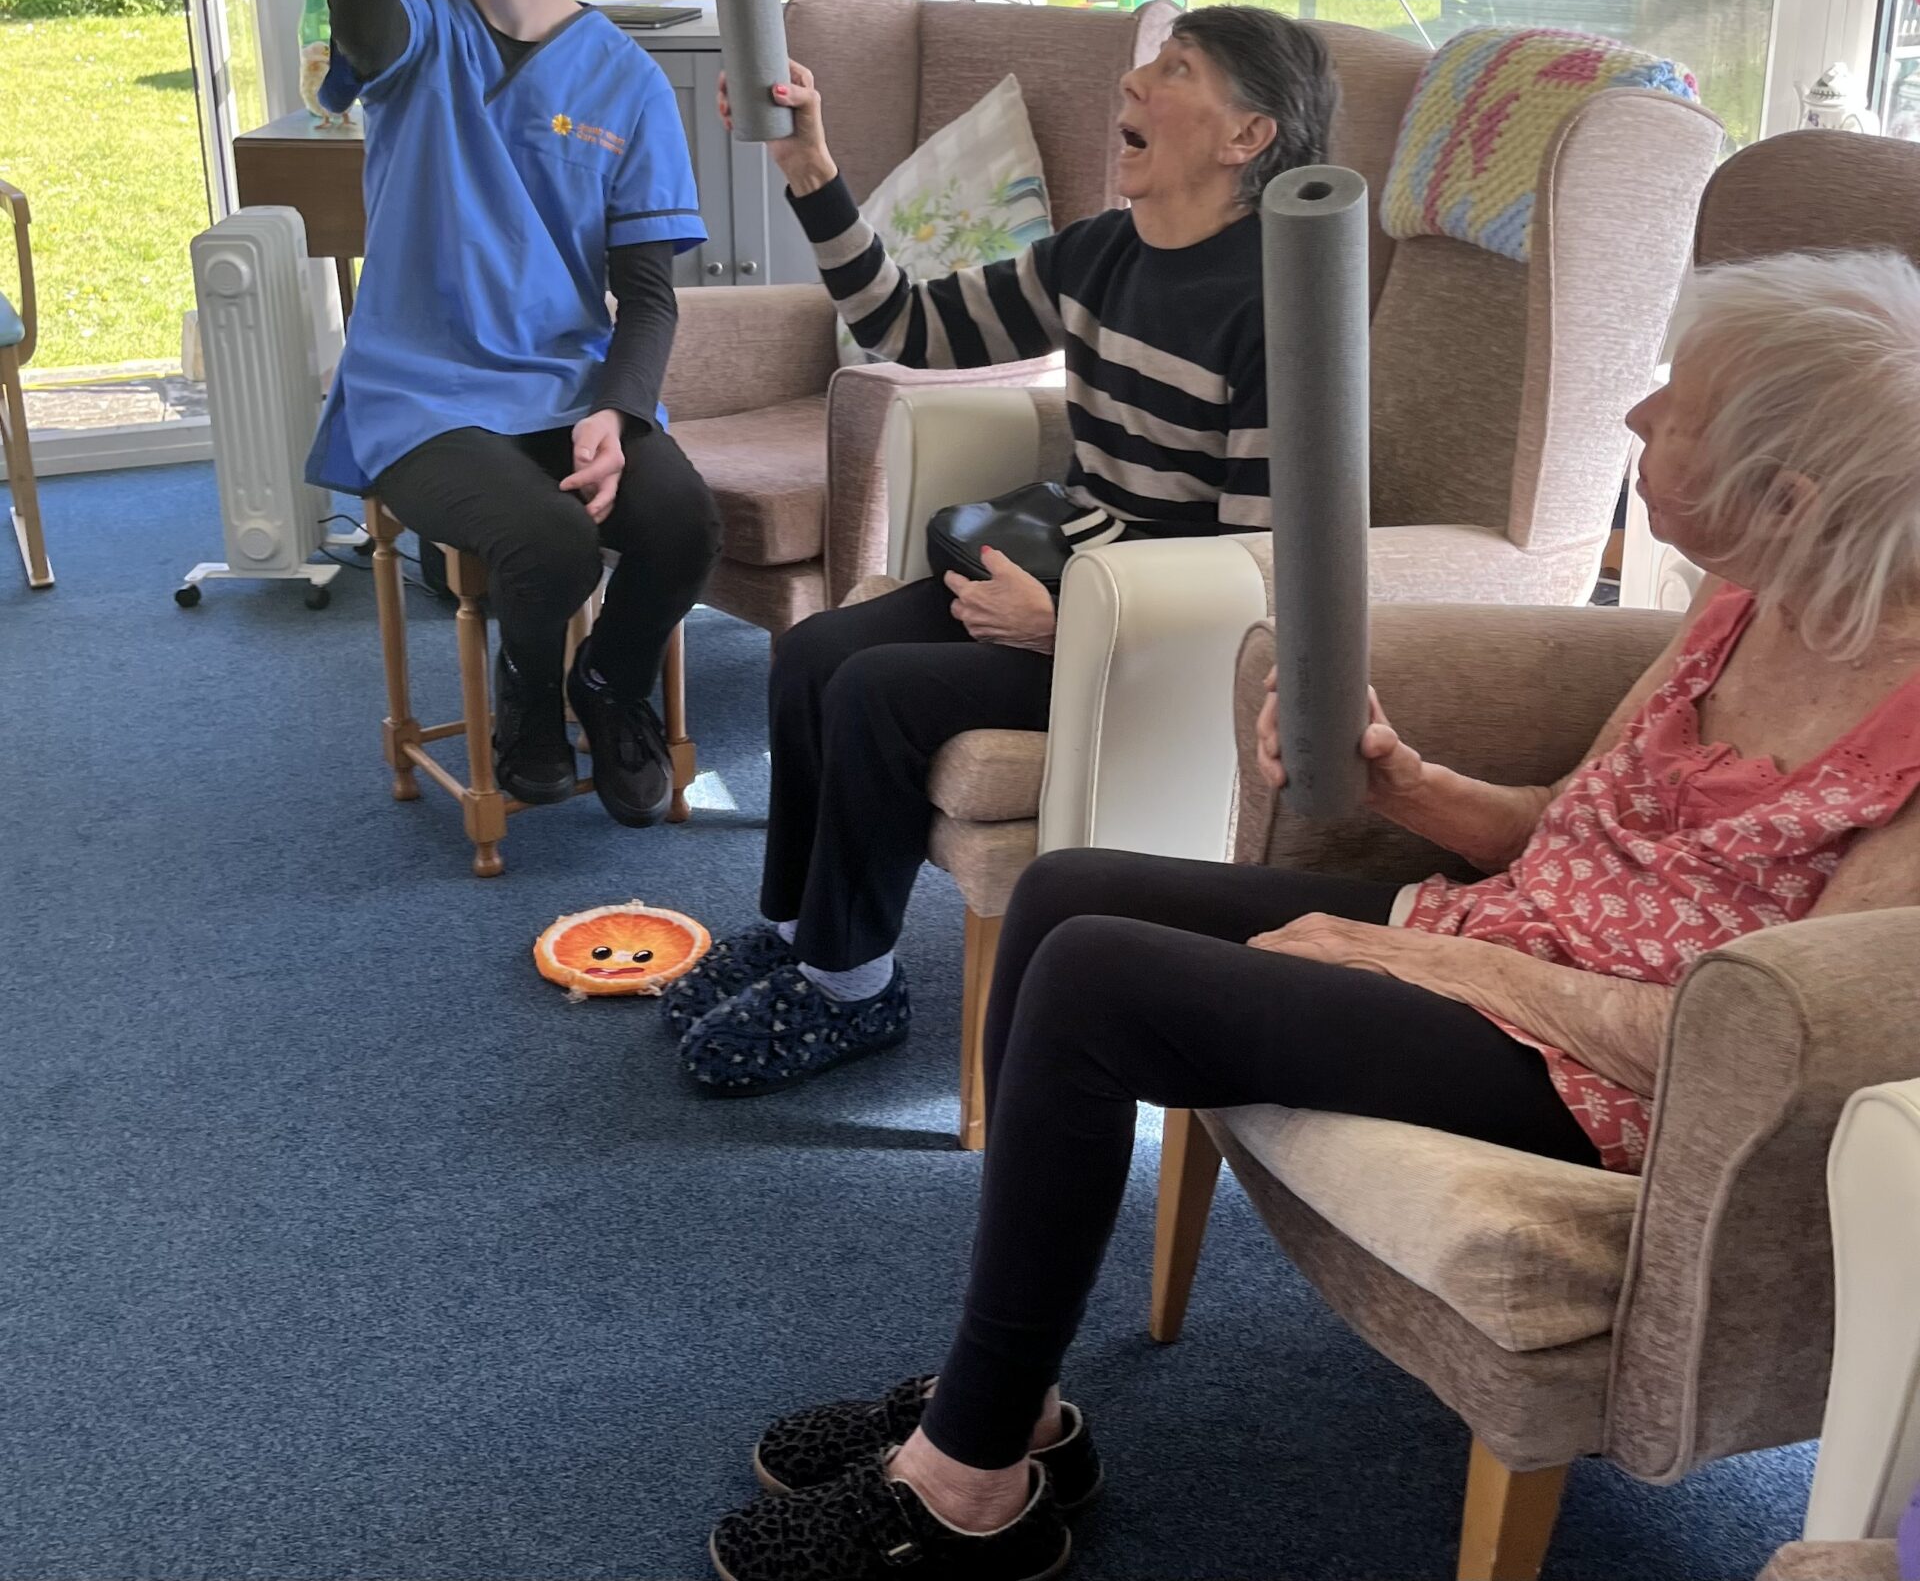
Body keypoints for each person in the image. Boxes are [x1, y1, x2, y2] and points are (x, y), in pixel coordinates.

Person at [703, 247, 1920, 1581]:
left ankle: (968, 1482)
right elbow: (1574, 826)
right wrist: (1411, 782)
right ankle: (1011, 1399)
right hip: (1501, 944)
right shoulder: (1743, 607)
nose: (1634, 415)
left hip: (1610, 1080)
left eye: (1673, 404)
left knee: (1100, 983)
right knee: (1064, 892)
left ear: (1788, 497)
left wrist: (1406, 958)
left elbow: (1765, 1045)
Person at [663, 7, 1337, 1092]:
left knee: (877, 692)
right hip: (1072, 567)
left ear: (1247, 137)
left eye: (1176, 71)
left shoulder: (1276, 311)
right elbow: (907, 328)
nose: (1134, 80)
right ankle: (799, 934)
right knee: (813, 653)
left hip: (1159, 634)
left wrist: (1069, 626)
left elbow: (1259, 558)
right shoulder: (1097, 254)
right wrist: (812, 167)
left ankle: (852, 989)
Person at [306, 0, 721, 824]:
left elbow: (645, 296)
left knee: (682, 518)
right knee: (543, 546)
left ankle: (608, 680)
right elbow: (358, 0)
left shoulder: (630, 80)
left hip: (564, 386)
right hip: (422, 398)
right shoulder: (418, 30)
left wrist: (619, 407)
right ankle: (531, 695)